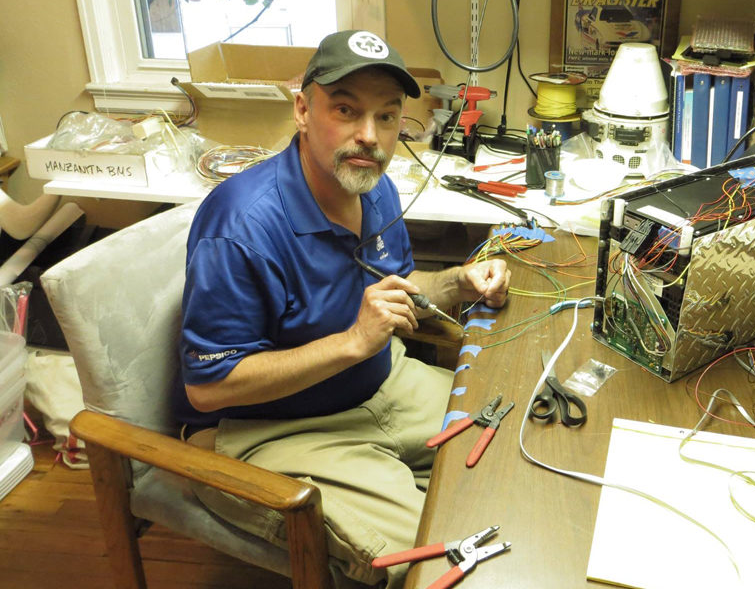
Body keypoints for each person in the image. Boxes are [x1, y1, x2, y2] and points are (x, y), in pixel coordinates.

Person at [172, 30, 510, 588]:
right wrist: (354, 340)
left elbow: (395, 291)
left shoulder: (374, 188)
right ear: (303, 109)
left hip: (381, 386)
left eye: (386, 116)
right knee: (447, 562)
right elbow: (210, 388)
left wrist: (459, 282)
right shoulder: (240, 227)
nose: (367, 136)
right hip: (272, 432)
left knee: (516, 451)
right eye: (346, 110)